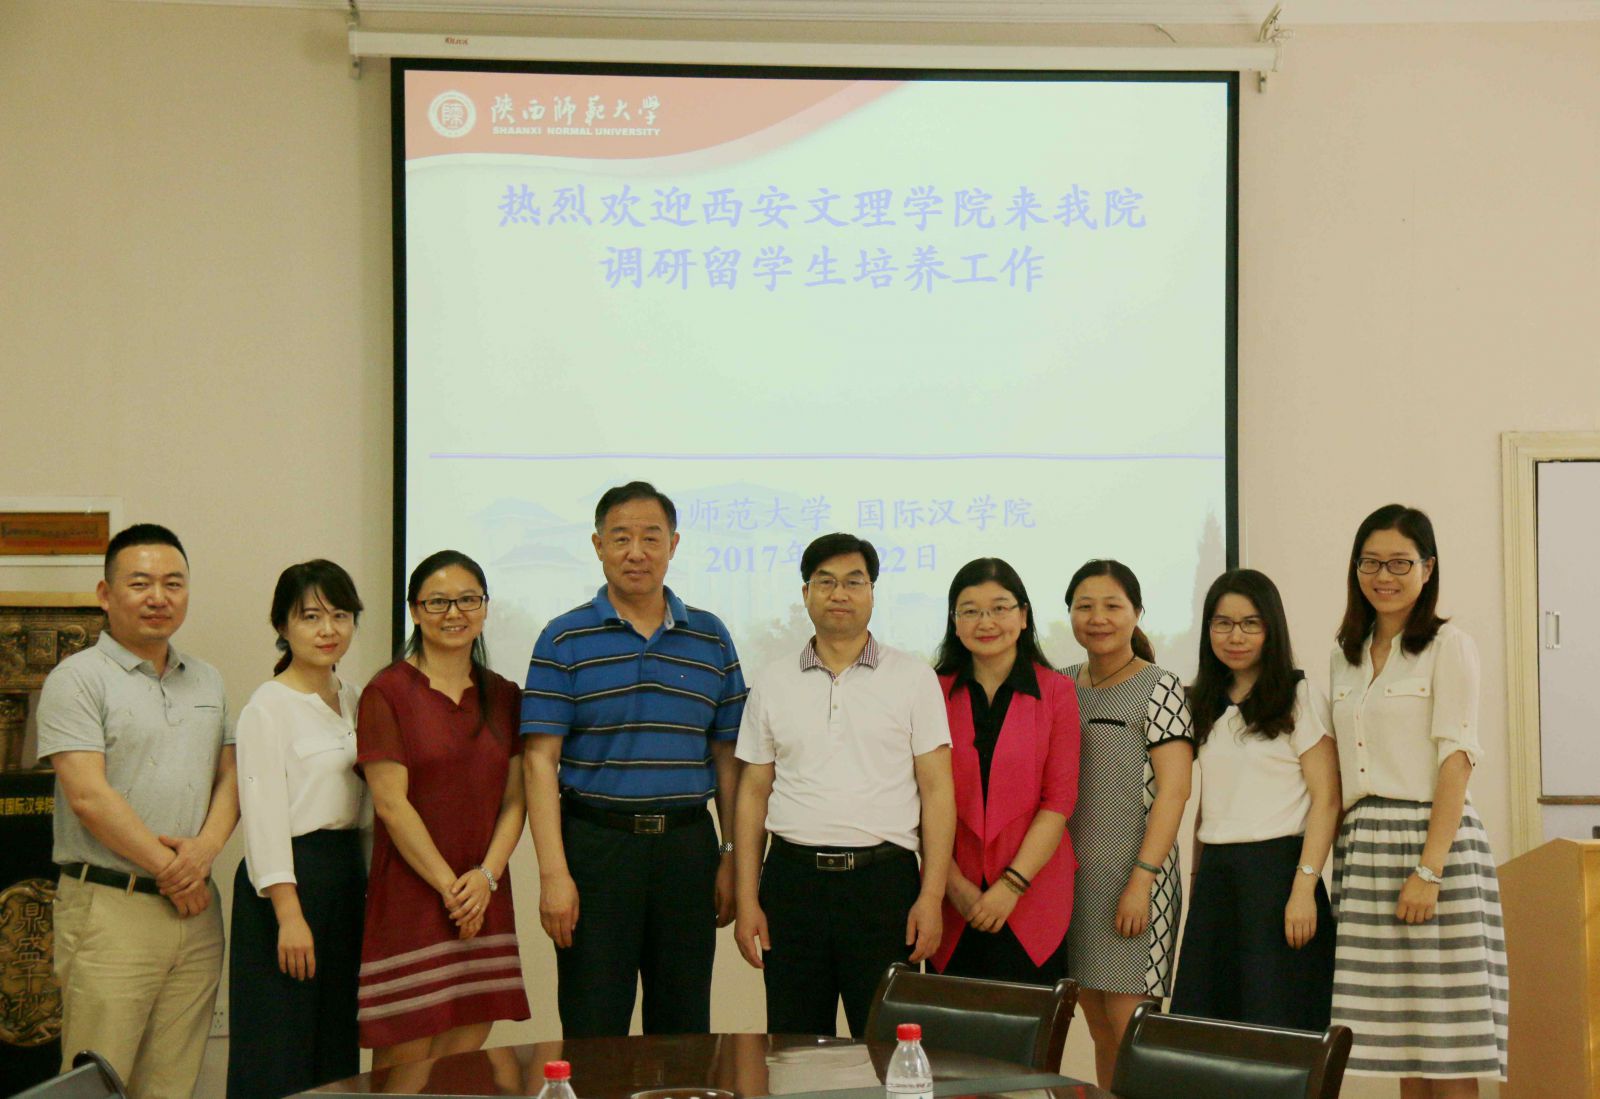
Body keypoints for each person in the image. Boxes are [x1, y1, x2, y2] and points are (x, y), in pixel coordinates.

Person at [522, 481, 746, 1037]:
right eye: (621, 538)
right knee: (594, 1027)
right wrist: (553, 873)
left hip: (686, 850)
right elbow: (539, 762)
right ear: (598, 545)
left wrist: (730, 856)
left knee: (683, 1027)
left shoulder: (712, 638)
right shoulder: (562, 639)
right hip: (597, 849)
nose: (636, 552)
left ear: (674, 544)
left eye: (651, 537)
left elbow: (728, 758)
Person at [37, 523, 238, 1099]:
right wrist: (173, 869)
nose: (158, 597)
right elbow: (89, 797)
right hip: (110, 909)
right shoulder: (77, 679)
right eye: (141, 583)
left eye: (173, 583)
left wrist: (203, 854)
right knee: (98, 1082)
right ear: (105, 594)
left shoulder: (208, 679)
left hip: (195, 913)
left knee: (173, 1083)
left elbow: (230, 777)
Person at [734, 532, 956, 1037]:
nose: (840, 594)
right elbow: (752, 793)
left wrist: (931, 897)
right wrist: (748, 899)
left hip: (884, 887)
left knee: (885, 1049)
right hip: (792, 884)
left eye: (854, 582)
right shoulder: (773, 680)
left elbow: (938, 793)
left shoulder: (913, 678)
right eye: (826, 582)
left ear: (872, 592)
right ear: (806, 593)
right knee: (793, 1050)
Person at [1327, 505, 1507, 1094]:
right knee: (1400, 1043)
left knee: (1449, 1044)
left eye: (1400, 563)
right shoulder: (1345, 654)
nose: (1384, 576)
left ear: (1427, 568)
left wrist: (1430, 870)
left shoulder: (1449, 645)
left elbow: (1457, 758)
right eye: (1371, 562)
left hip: (1433, 844)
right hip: (1366, 849)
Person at [357, 550, 530, 1068]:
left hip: (483, 893)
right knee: (404, 1067)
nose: (454, 613)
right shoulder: (386, 693)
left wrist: (486, 878)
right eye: (437, 602)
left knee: (460, 1065)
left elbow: (516, 799)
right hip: (413, 897)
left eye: (467, 600)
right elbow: (391, 804)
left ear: (485, 607)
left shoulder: (505, 696)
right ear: (414, 611)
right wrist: (452, 889)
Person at [1169, 569, 1339, 1030]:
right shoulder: (1204, 702)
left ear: (1271, 628)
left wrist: (1304, 888)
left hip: (1278, 877)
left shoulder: (1299, 696)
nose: (1235, 636)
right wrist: (1198, 877)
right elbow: (1209, 801)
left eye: (1250, 623)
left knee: (1277, 1020)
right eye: (1222, 623)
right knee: (1209, 1027)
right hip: (1218, 878)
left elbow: (1327, 800)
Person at [228, 560, 368, 1099]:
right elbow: (262, 816)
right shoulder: (268, 707)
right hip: (288, 884)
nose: (328, 629)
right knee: (279, 1045)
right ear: (282, 626)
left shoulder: (355, 698)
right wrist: (289, 914)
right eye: (311, 616)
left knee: (335, 1041)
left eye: (340, 615)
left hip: (345, 878)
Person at [1062, 559, 1193, 1089]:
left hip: (1135, 880)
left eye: (1112, 606)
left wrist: (1142, 880)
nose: (1098, 618)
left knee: (1133, 1031)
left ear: (1137, 612)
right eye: (1085, 606)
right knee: (1098, 1027)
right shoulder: (1061, 684)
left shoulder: (1161, 686)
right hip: (1075, 882)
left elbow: (1175, 792)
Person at [930, 557, 1080, 986]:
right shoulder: (931, 691)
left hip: (1034, 894)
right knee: (950, 1024)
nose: (986, 622)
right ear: (954, 622)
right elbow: (920, 797)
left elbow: (1059, 802)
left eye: (999, 608)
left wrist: (1012, 886)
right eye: (970, 611)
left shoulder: (1057, 692)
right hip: (951, 898)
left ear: (1023, 615)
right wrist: (952, 884)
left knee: (1032, 1025)